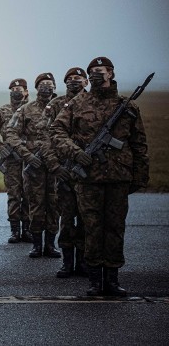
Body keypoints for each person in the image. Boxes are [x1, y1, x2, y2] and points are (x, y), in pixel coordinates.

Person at [51, 57, 149, 296]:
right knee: (91, 228)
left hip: (118, 178)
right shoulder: (77, 103)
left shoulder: (126, 106)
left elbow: (139, 144)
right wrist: (75, 153)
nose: (95, 75)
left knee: (115, 228)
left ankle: (113, 279)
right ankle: (95, 279)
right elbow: (56, 131)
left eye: (99, 71)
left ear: (111, 73)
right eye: (91, 72)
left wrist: (139, 177)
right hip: (88, 179)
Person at [5, 72, 62, 259]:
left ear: (54, 86)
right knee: (35, 203)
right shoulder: (26, 110)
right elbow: (11, 133)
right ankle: (37, 244)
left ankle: (51, 245)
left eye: (49, 83)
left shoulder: (63, 107)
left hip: (56, 165)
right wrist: (27, 155)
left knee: (54, 204)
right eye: (43, 83)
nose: (46, 86)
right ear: (36, 88)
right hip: (34, 165)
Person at [42, 67, 89, 278]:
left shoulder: (97, 104)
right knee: (67, 219)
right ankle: (67, 263)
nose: (73, 82)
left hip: (91, 174)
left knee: (89, 220)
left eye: (78, 78)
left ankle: (86, 262)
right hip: (65, 172)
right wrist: (54, 166)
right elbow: (45, 138)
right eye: (69, 79)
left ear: (86, 81)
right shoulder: (56, 105)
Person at [0, 78, 30, 244]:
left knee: (30, 194)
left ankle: (27, 229)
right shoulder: (3, 111)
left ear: (26, 91)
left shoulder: (32, 110)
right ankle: (15, 230)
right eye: (13, 89)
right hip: (11, 160)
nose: (16, 91)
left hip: (30, 159)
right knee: (14, 195)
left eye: (20, 88)